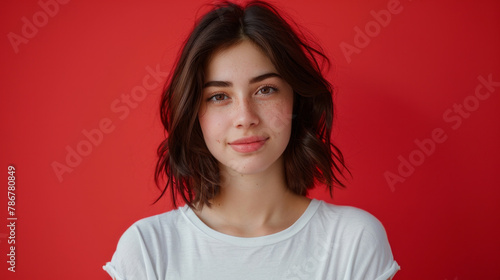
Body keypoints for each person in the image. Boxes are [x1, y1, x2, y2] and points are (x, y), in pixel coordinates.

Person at [103, 1, 400, 279]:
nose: (245, 117)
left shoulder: (353, 240)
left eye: (265, 90)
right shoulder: (147, 249)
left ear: (296, 100)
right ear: (194, 113)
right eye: (219, 96)